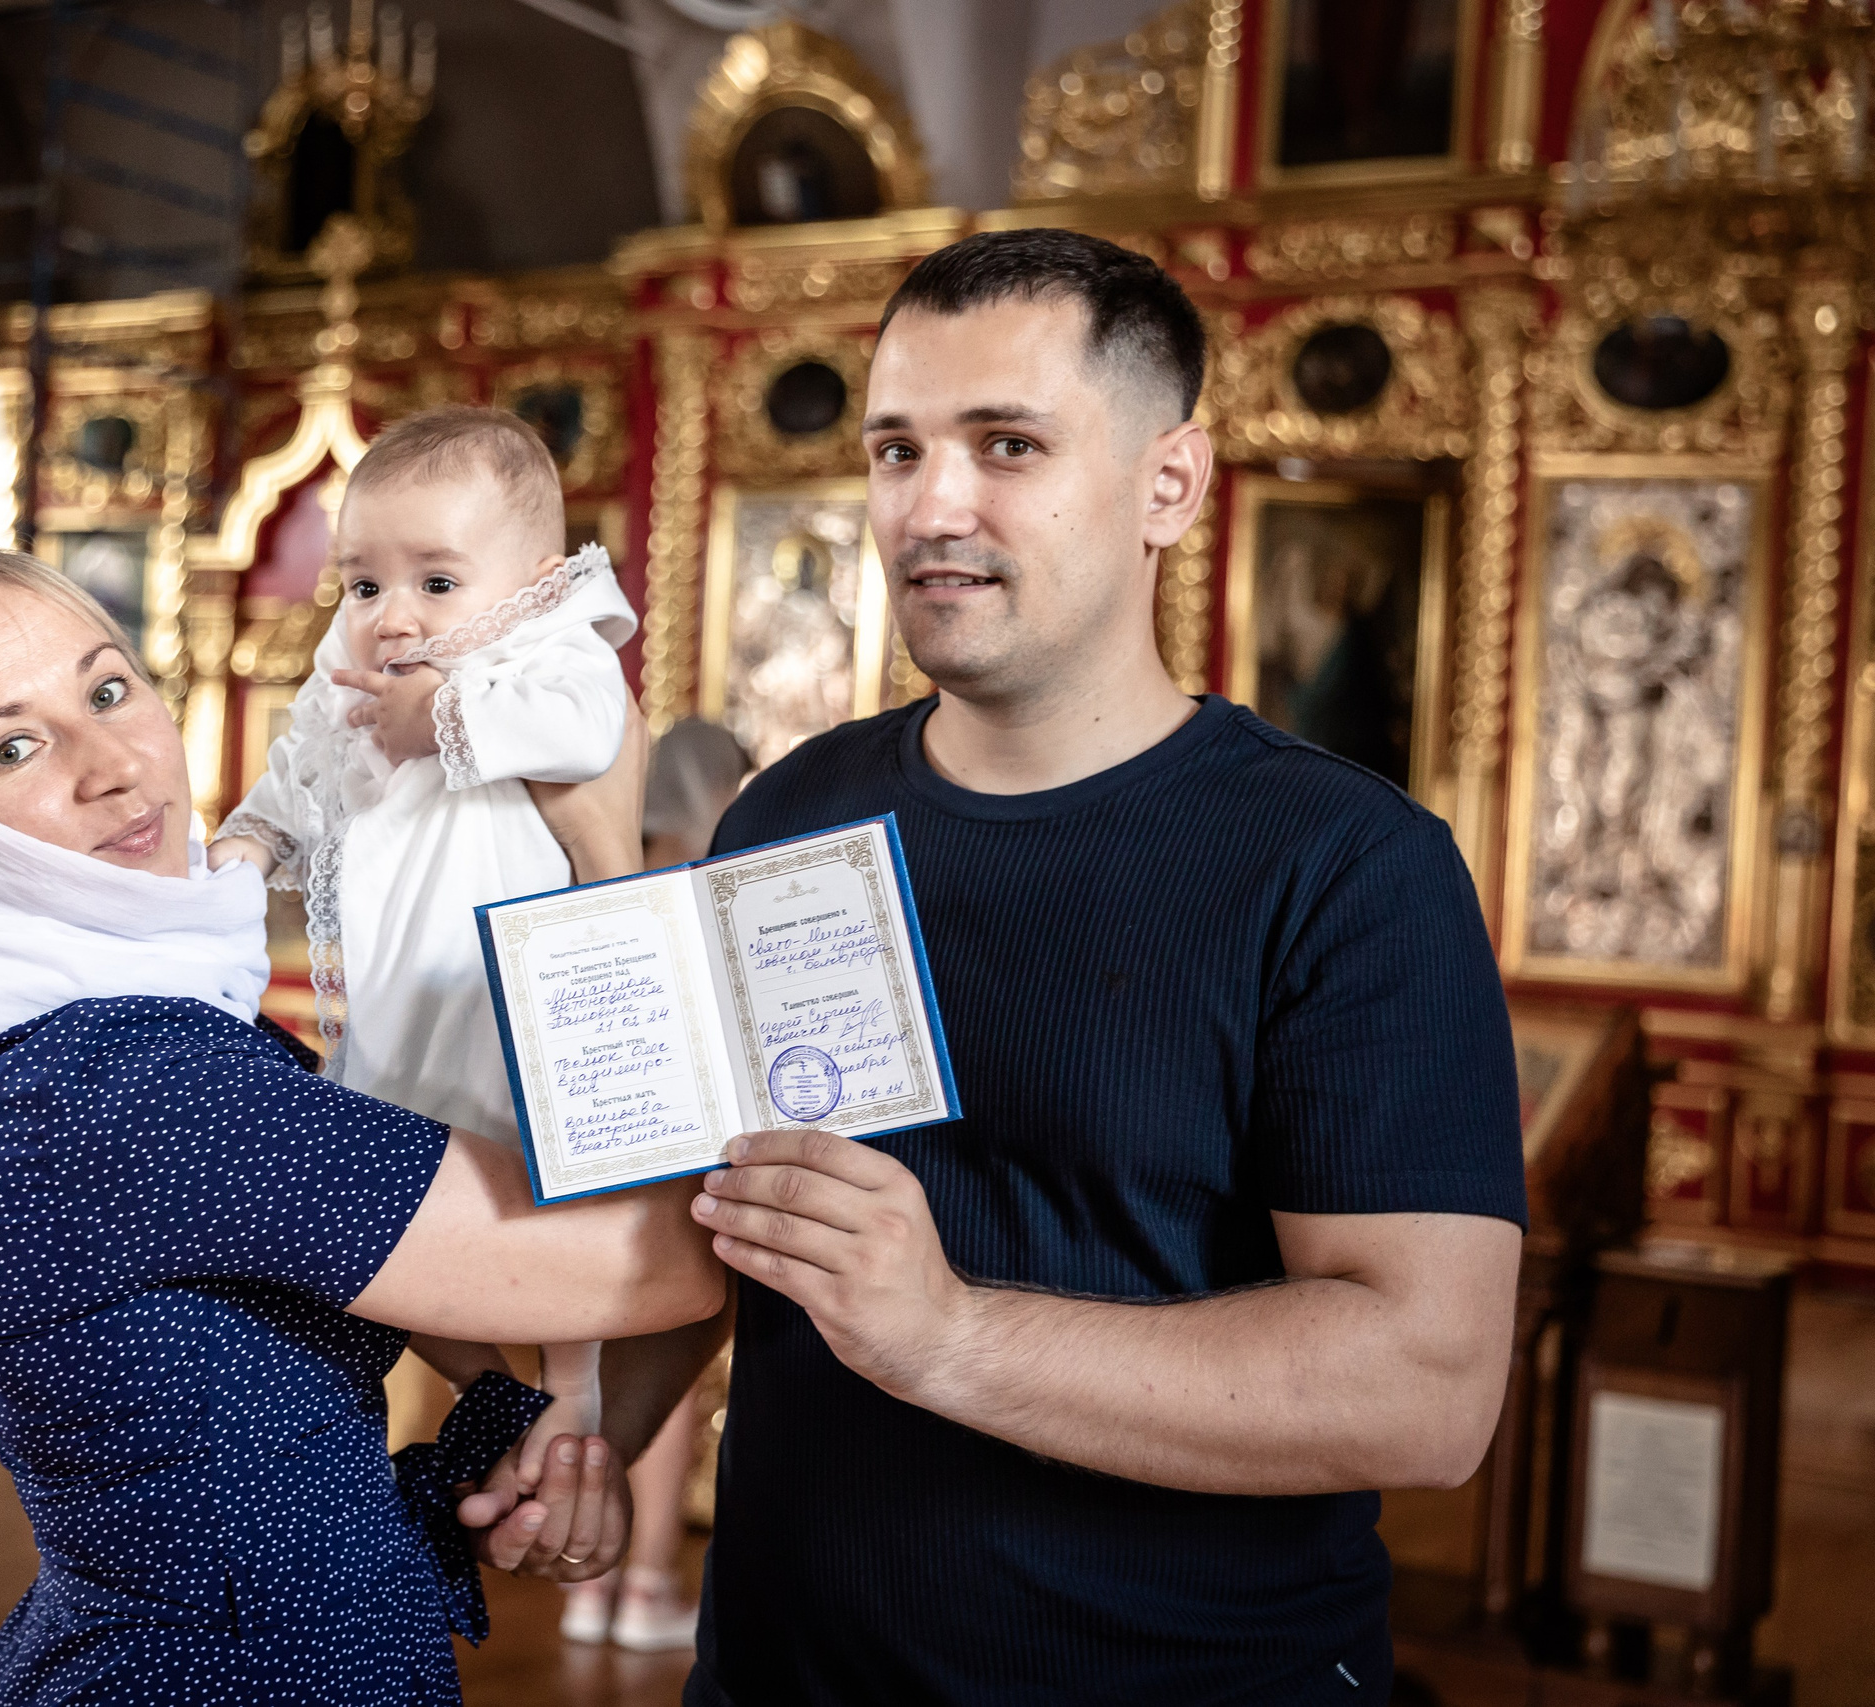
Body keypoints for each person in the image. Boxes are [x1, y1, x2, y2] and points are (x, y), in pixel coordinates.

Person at [585, 228, 1529, 1703]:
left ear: (1172, 484)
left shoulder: (1349, 868)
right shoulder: (786, 814)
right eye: (897, 449)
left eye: (1007, 443)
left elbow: (1426, 1387)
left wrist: (948, 1332)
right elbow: (718, 1228)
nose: (933, 503)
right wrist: (586, 1431)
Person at [0, 547, 720, 1705]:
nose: (109, 765)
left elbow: (307, 1307)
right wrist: (603, 847)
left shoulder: (63, 1044)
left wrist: (511, 1432)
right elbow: (658, 1264)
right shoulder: (120, 1084)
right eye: (13, 746)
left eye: (106, 688)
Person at [212, 407, 643, 1485]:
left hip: (503, 1006)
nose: (392, 617)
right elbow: (301, 769)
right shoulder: (352, 675)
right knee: (386, 1217)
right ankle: (493, 1387)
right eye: (363, 585)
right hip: (396, 1010)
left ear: (535, 582)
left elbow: (586, 729)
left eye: (437, 583)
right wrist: (251, 839)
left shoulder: (552, 651)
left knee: (548, 1212)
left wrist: (445, 715)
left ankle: (572, 1396)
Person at [557, 716, 754, 1651]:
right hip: (682, 1138)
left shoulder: (600, 859)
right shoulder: (717, 871)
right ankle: (642, 1584)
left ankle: (581, 1587)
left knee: (588, 1359)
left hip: (588, 1133)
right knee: (667, 1355)